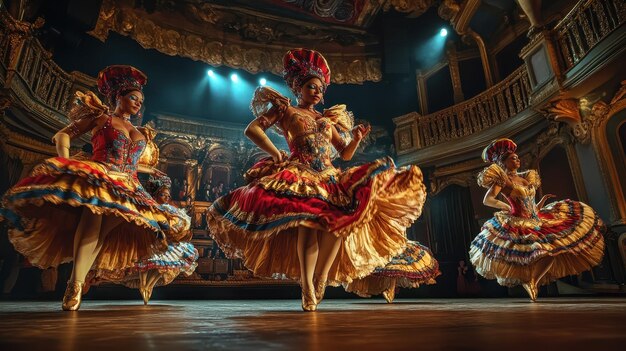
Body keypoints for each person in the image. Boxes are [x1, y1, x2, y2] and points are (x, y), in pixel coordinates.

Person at [206, 49, 427, 311]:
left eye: (321, 89)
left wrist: (355, 139)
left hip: (329, 175)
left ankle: (321, 278)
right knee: (307, 227)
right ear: (299, 88)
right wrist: (276, 152)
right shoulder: (286, 111)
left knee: (338, 224)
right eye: (312, 87)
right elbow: (252, 129)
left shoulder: (326, 119)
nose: (318, 93)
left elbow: (344, 153)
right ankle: (307, 285)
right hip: (301, 173)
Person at [0, 65, 190, 310]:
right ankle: (75, 285)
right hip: (102, 175)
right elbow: (62, 136)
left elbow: (133, 162)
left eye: (141, 100)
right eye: (133, 97)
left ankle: (75, 282)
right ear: (118, 96)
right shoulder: (102, 118)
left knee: (101, 234)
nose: (138, 104)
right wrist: (65, 162)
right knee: (93, 223)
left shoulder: (141, 132)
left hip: (130, 187)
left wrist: (151, 171)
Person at [469, 138, 605, 301]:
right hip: (518, 222)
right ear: (503, 161)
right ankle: (530, 281)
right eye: (513, 158)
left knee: (553, 250)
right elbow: (487, 199)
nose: (517, 159)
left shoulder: (525, 177)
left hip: (536, 219)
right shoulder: (504, 180)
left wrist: (541, 202)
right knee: (540, 252)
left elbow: (531, 205)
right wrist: (504, 206)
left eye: (517, 157)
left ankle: (532, 281)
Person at [86, 174, 198, 304]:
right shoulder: (148, 209)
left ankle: (148, 286)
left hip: (162, 243)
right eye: (163, 195)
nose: (166, 198)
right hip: (147, 242)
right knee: (146, 264)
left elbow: (177, 225)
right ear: (155, 196)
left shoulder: (167, 209)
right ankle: (145, 286)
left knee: (163, 266)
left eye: (168, 196)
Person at [344, 241, 440, 303]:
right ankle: (390, 290)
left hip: (395, 243)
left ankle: (390, 289)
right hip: (383, 244)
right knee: (390, 266)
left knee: (396, 266)